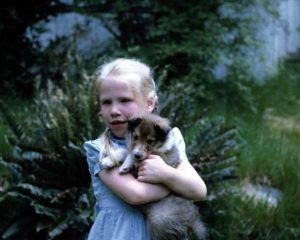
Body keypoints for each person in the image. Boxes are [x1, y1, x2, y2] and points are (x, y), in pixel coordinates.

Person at [84, 58, 207, 240]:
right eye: (106, 102)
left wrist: (164, 173)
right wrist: (175, 185)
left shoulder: (169, 140)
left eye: (124, 100)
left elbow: (199, 191)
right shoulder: (100, 150)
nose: (114, 110)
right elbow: (136, 195)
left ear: (149, 104)